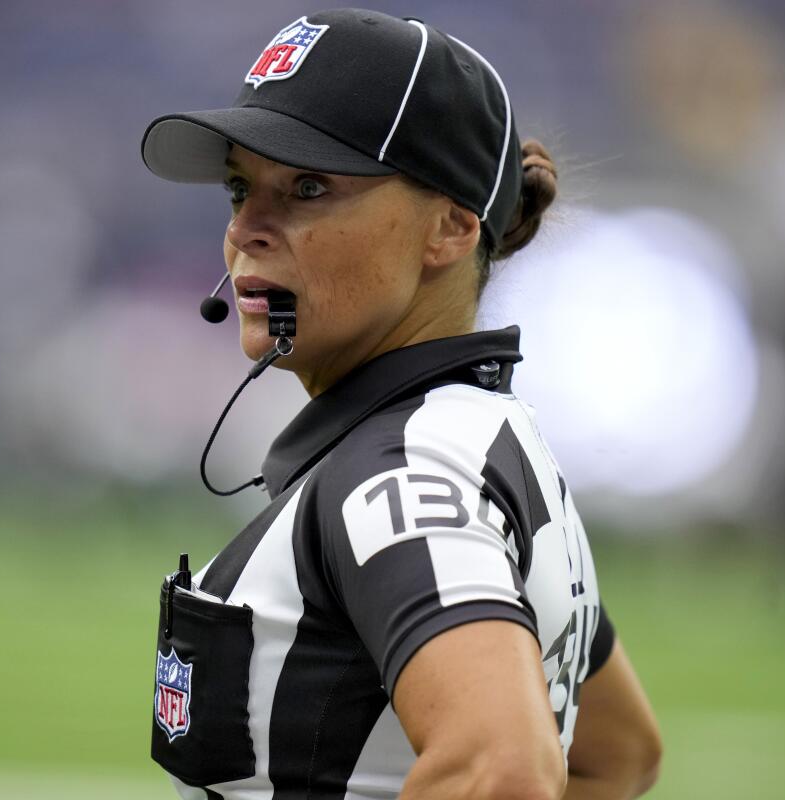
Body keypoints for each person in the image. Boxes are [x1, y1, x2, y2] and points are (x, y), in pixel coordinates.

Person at [141, 9, 661, 800]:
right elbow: (614, 753)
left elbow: (505, 770)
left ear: (450, 228)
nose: (247, 228)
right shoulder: (479, 435)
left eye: (307, 187)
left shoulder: (405, 469)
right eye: (242, 187)